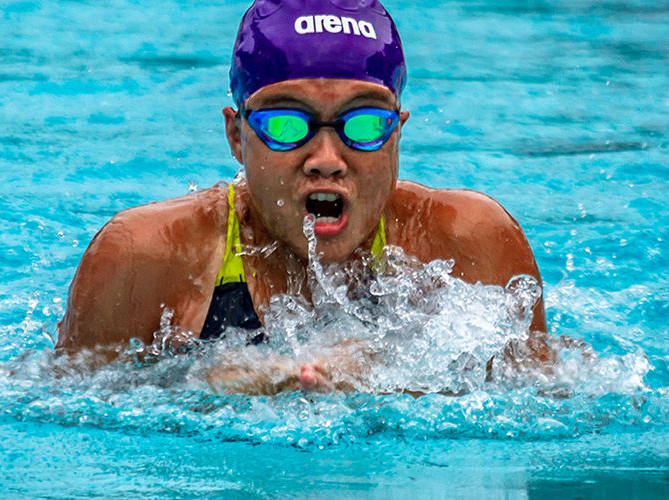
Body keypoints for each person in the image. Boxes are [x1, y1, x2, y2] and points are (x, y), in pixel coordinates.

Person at [57, 0, 551, 393]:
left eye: (363, 124)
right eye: (286, 124)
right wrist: (198, 391)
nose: (327, 158)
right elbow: (56, 409)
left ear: (397, 132)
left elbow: (549, 401)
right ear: (237, 136)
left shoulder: (466, 240)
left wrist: (394, 385)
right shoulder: (146, 254)